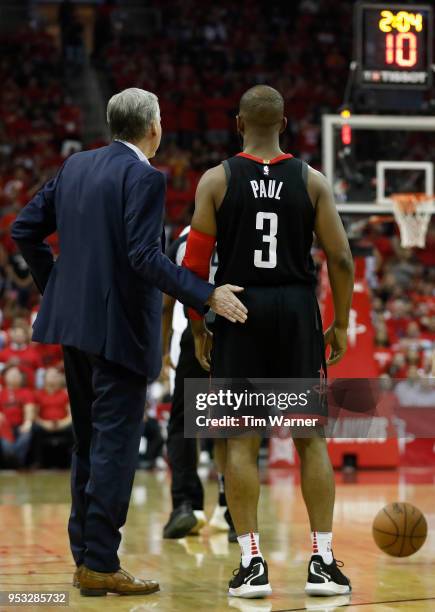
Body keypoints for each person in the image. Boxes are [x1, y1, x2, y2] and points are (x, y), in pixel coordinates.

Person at [11, 87, 247, 597]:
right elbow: (144, 256)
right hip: (117, 330)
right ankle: (99, 562)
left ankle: (86, 557)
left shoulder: (75, 166)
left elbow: (23, 228)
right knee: (114, 449)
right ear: (153, 127)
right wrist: (206, 294)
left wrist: (55, 287)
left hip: (71, 326)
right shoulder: (144, 176)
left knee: (88, 443)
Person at [183, 85, 354, 598]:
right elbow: (341, 259)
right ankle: (322, 562)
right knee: (310, 439)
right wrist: (340, 322)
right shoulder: (311, 179)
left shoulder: (215, 180)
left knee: (241, 441)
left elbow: (194, 266)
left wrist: (198, 327)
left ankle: (251, 564)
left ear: (238, 124)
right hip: (298, 309)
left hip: (240, 309)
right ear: (284, 124)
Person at [161, 227, 235, 540]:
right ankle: (232, 511)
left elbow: (165, 302)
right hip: (240, 334)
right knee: (235, 425)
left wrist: (164, 351)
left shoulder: (182, 242)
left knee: (182, 423)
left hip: (197, 333)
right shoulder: (241, 228)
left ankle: (185, 506)